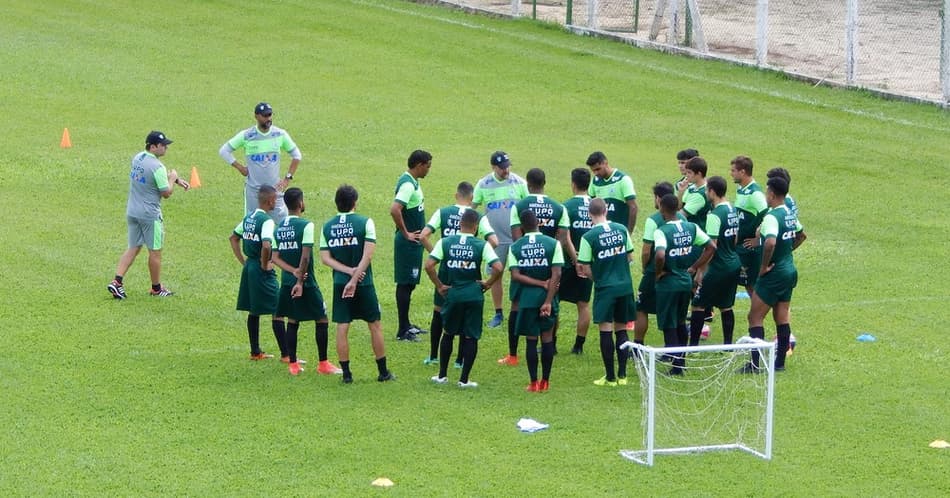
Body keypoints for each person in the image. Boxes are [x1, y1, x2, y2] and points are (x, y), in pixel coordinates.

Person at [320, 185, 394, 384]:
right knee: (375, 325)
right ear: (355, 202)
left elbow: (325, 258)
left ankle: (346, 375)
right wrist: (355, 277)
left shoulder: (327, 227)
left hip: (339, 283)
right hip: (364, 283)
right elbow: (368, 255)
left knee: (342, 326)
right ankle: (383, 372)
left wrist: (347, 272)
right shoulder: (365, 222)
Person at [419, 181, 498, 368]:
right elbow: (494, 240)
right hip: (469, 274)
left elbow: (423, 236)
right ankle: (459, 361)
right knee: (465, 314)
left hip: (447, 271)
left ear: (456, 195)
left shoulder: (443, 212)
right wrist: (477, 254)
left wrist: (440, 254)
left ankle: (433, 356)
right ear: (471, 199)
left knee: (439, 311)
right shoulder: (478, 216)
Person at [424, 209, 504, 388]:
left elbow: (429, 265)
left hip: (453, 294)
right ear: (476, 227)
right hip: (474, 294)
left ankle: (442, 375)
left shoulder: (445, 242)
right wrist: (488, 283)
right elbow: (498, 267)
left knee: (448, 333)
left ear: (460, 224)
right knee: (470, 336)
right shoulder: (481, 245)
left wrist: (439, 285)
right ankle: (464, 379)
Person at [108, 131, 189, 299]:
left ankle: (117, 282)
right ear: (153, 147)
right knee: (155, 252)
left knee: (134, 247)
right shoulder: (158, 167)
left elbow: (149, 176)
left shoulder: (138, 158)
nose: (166, 147)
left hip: (133, 211)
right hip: (149, 215)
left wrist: (176, 179)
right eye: (163, 145)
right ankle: (156, 288)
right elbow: (166, 193)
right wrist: (173, 178)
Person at [504, 167, 573, 363]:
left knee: (517, 306)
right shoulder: (559, 207)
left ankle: (513, 354)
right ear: (545, 183)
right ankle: (549, 344)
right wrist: (551, 254)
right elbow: (561, 236)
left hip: (524, 265)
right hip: (552, 267)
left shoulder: (519, 206)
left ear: (528, 183)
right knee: (551, 305)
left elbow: (516, 239)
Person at [271, 187, 342, 376]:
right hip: (306, 282)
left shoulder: (280, 227)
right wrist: (300, 280)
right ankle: (323, 363)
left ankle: (293, 364)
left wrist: (292, 272)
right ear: (301, 203)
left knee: (293, 319)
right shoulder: (306, 225)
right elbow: (305, 256)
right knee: (322, 318)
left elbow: (275, 258)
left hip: (287, 281)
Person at [742, 176, 806, 373]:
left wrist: (764, 266)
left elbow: (769, 243)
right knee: (781, 316)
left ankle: (754, 364)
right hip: (789, 270)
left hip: (774, 273)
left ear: (771, 193)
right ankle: (779, 363)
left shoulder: (772, 217)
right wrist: (786, 252)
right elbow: (801, 235)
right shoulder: (788, 213)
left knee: (754, 317)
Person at [653, 194, 715, 375]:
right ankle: (681, 363)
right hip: (685, 281)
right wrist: (695, 267)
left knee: (668, 323)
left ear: (662, 208)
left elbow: (659, 255)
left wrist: (658, 273)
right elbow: (711, 246)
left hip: (668, 283)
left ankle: (676, 364)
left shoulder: (662, 231)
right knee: (680, 320)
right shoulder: (691, 227)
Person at [576, 198, 636, 387]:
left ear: (589, 214)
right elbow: (630, 256)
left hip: (605, 288)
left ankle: (610, 377)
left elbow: (585, 268)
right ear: (606, 211)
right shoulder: (621, 229)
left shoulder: (588, 237)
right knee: (622, 329)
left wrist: (600, 278)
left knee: (605, 329)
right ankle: (623, 375)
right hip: (625, 286)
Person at [508, 210, 563, 393]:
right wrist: (548, 300)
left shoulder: (515, 247)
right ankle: (545, 381)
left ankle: (533, 383)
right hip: (547, 299)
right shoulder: (553, 244)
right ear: (538, 222)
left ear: (522, 227)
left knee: (531, 340)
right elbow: (557, 273)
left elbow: (515, 275)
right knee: (547, 338)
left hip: (527, 300)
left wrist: (537, 283)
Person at [472, 151, 529, 329]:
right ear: (494, 167)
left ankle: (518, 311)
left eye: (508, 166)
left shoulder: (519, 183)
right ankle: (498, 313)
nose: (506, 170)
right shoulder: (483, 184)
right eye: (503, 167)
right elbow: (472, 209)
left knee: (518, 275)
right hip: (496, 240)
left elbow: (528, 209)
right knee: (495, 274)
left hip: (517, 240)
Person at [219, 102, 301, 223]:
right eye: (265, 116)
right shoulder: (247, 135)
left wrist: (287, 178)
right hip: (254, 191)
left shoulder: (279, 134)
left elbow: (297, 155)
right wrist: (240, 167)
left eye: (270, 115)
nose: (268, 118)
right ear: (256, 116)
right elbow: (224, 151)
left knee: (283, 223)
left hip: (274, 191)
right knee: (252, 225)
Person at [229, 186, 285, 361]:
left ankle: (255, 352)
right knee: (278, 308)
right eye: (275, 199)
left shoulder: (249, 217)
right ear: (269, 201)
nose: (275, 201)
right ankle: (286, 354)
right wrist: (264, 264)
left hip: (249, 267)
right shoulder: (267, 221)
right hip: (261, 269)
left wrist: (244, 261)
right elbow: (267, 245)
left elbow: (233, 238)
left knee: (254, 309)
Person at [688, 176, 740, 347]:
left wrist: (700, 271)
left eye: (706, 190)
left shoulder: (714, 215)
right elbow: (735, 238)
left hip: (717, 267)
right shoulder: (732, 210)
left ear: (712, 191)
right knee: (726, 306)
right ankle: (727, 345)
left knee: (698, 305)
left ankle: (693, 346)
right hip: (733, 263)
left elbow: (711, 246)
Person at [632, 182, 682, 348]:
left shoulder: (654, 220)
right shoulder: (681, 218)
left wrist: (646, 267)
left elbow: (647, 250)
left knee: (641, 307)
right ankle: (677, 351)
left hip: (656, 270)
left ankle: (638, 346)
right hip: (678, 272)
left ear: (659, 199)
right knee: (675, 313)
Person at [390, 150, 432, 342]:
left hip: (413, 243)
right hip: (408, 243)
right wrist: (406, 233)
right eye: (427, 166)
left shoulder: (412, 181)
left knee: (410, 284)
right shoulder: (407, 185)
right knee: (405, 284)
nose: (428, 170)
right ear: (419, 165)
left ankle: (406, 324)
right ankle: (402, 330)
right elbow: (395, 209)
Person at [561, 168, 594, 354]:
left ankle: (551, 343)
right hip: (589, 264)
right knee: (583, 304)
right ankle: (578, 346)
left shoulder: (566, 206)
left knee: (555, 301)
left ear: (573, 184)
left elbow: (565, 237)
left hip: (567, 262)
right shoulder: (597, 205)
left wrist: (575, 260)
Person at [730, 155, 768, 296]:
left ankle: (757, 314)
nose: (731, 173)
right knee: (746, 283)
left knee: (751, 285)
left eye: (733, 170)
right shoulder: (742, 189)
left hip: (750, 249)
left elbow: (769, 214)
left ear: (743, 172)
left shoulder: (755, 193)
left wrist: (758, 240)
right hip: (740, 245)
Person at [586, 151, 638, 234]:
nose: (596, 173)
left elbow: (633, 207)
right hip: (602, 233)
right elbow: (589, 205)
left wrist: (628, 232)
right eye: (593, 171)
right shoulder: (595, 182)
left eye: (598, 169)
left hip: (619, 232)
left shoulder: (623, 179)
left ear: (605, 163)